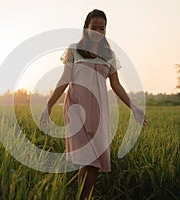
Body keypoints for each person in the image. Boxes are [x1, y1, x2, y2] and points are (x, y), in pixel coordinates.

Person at [40, 9, 147, 200]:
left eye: (102, 28)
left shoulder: (110, 55)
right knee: (87, 160)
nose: (98, 32)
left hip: (99, 113)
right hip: (76, 111)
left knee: (93, 163)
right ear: (86, 28)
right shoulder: (74, 50)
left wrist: (134, 108)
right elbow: (64, 79)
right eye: (94, 27)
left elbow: (116, 86)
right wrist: (48, 105)